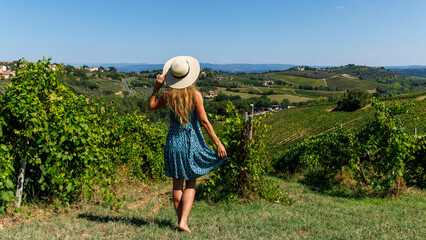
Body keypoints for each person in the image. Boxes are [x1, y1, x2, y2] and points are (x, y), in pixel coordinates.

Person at [148, 56, 227, 232]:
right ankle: (183, 221)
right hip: (191, 143)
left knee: (177, 183)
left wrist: (156, 88)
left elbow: (151, 106)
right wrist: (218, 143)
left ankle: (180, 222)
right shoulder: (196, 96)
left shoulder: (168, 95)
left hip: (173, 142)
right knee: (191, 182)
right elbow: (205, 122)